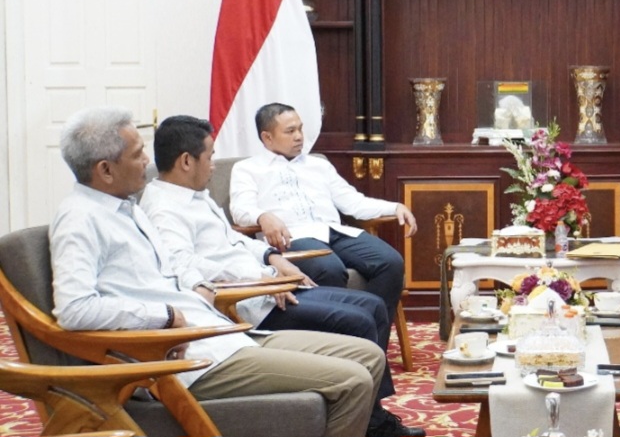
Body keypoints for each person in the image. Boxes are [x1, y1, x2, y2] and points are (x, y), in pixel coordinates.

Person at [50, 107, 385, 437]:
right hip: (189, 362)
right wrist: (165, 316)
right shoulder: (80, 219)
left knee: (368, 355)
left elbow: (175, 266)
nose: (147, 162)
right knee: (354, 379)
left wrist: (206, 282)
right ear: (105, 170)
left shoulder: (129, 209)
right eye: (137, 154)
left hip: (220, 332)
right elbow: (74, 309)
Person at [141, 115, 424, 437]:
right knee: (357, 320)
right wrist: (257, 278)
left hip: (268, 284)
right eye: (210, 156)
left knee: (372, 306)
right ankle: (373, 423)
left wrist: (271, 257)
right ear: (186, 161)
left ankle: (372, 415)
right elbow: (183, 267)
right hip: (246, 302)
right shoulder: (163, 209)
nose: (214, 165)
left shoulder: (196, 196)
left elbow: (235, 241)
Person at [229, 103, 417, 319]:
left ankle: (369, 334)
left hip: (335, 232)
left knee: (391, 262)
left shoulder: (318, 165)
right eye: (290, 131)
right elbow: (240, 210)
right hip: (293, 237)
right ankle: (343, 331)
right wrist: (262, 217)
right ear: (267, 137)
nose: (299, 136)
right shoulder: (247, 169)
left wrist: (394, 207)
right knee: (328, 268)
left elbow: (352, 201)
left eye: (300, 129)